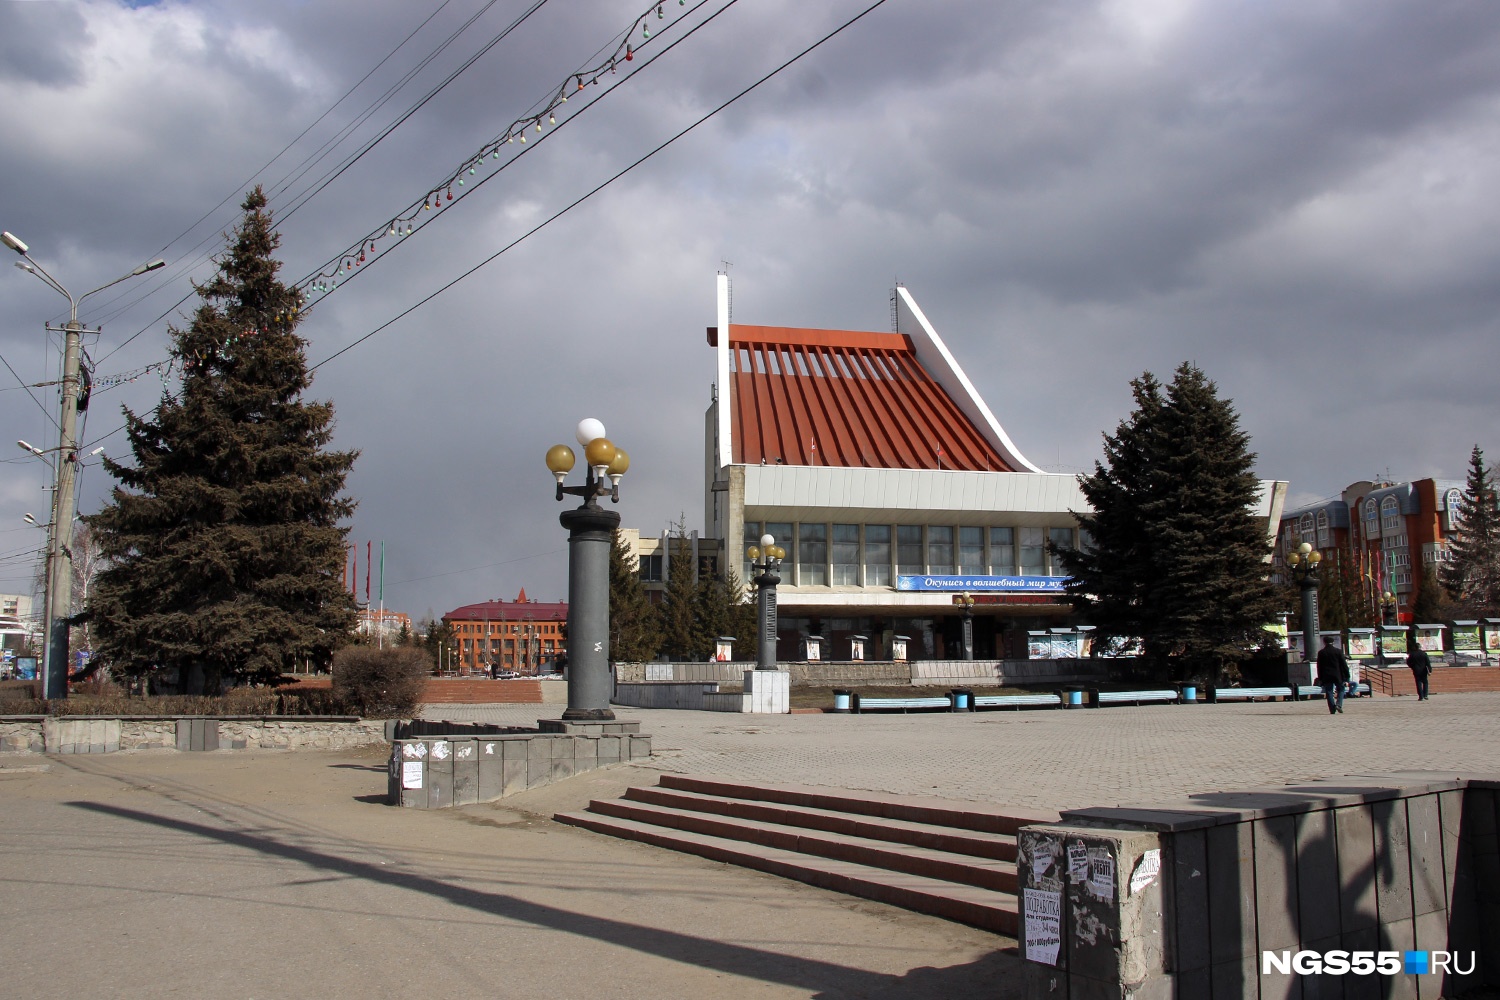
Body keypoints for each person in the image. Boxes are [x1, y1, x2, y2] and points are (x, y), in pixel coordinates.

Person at [1316, 637, 1350, 715]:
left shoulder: (1321, 652)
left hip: (1326, 675)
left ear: (1324, 642)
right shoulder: (1338, 651)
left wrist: (1320, 678)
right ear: (1333, 642)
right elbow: (1344, 665)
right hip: (1338, 675)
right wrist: (1347, 676)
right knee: (1341, 689)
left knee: (1329, 691)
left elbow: (1319, 666)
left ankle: (1332, 708)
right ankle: (1339, 704)